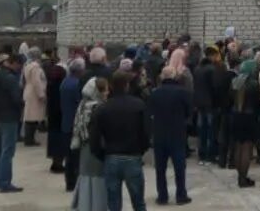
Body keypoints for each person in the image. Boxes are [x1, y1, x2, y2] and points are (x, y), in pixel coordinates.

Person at [91, 72, 149, 211]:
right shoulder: (138, 105)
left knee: (114, 203)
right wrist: (141, 150)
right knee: (139, 202)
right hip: (133, 155)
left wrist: (102, 155)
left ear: (110, 86)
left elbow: (94, 138)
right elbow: (146, 132)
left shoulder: (102, 108)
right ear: (127, 85)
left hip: (111, 156)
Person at [148, 65, 193, 205]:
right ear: (174, 76)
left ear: (162, 77)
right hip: (177, 132)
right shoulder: (182, 92)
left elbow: (150, 113)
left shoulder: (154, 93)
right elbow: (189, 111)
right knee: (179, 166)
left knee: (160, 168)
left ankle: (162, 196)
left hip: (160, 133)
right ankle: (181, 195)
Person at [0, 54, 25, 193]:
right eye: (19, 65)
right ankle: (5, 182)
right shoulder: (11, 78)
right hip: (9, 117)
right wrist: (22, 103)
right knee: (7, 151)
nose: (20, 69)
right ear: (14, 63)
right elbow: (16, 99)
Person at [72, 77, 109, 211]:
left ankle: (84, 205)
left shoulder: (83, 104)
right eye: (105, 89)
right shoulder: (97, 107)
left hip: (84, 145)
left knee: (86, 175)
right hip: (95, 146)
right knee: (97, 176)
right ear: (97, 91)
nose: (107, 92)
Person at [230, 56, 260, 187]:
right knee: (247, 149)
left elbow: (229, 99)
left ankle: (240, 177)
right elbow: (258, 103)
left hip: (235, 116)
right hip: (249, 117)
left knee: (238, 147)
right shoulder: (254, 83)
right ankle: (243, 178)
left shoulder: (234, 81)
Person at [61, 57, 86, 192]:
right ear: (80, 71)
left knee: (69, 156)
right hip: (74, 124)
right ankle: (73, 182)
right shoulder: (76, 84)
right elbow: (80, 103)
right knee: (75, 156)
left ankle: (69, 182)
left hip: (66, 121)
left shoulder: (65, 81)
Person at [193, 47, 220, 164]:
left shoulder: (197, 68)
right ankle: (210, 155)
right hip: (210, 104)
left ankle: (201, 155)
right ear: (212, 56)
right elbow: (215, 88)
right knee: (210, 130)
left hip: (199, 103)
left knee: (201, 130)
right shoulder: (212, 69)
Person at [44, 50, 68, 173]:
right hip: (60, 115)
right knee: (59, 139)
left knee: (53, 138)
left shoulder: (50, 85)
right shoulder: (62, 86)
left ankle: (55, 161)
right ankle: (58, 163)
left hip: (52, 115)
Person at [21, 47, 47, 146]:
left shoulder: (27, 65)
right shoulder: (36, 67)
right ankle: (29, 139)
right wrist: (41, 94)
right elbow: (37, 82)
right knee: (32, 118)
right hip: (34, 94)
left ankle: (29, 138)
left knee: (30, 116)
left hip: (29, 91)